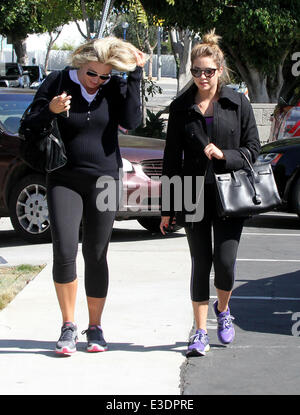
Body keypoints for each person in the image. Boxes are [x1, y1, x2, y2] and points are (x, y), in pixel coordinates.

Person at [23, 37, 145, 355]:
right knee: (64, 251)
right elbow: (30, 123)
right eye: (93, 75)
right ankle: (67, 326)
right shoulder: (59, 81)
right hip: (64, 178)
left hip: (104, 180)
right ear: (81, 65)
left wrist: (135, 76)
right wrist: (50, 110)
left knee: (96, 254)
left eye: (105, 76)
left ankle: (95, 327)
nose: (98, 82)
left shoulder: (113, 86)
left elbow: (131, 120)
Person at [160, 30, 260, 357]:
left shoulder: (237, 102)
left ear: (219, 70)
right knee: (200, 263)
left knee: (226, 264)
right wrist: (168, 206)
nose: (202, 78)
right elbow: (171, 159)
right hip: (192, 195)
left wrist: (224, 156)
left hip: (230, 195)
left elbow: (252, 150)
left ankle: (224, 309)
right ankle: (200, 332)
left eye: (208, 71)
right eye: (196, 72)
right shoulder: (181, 108)